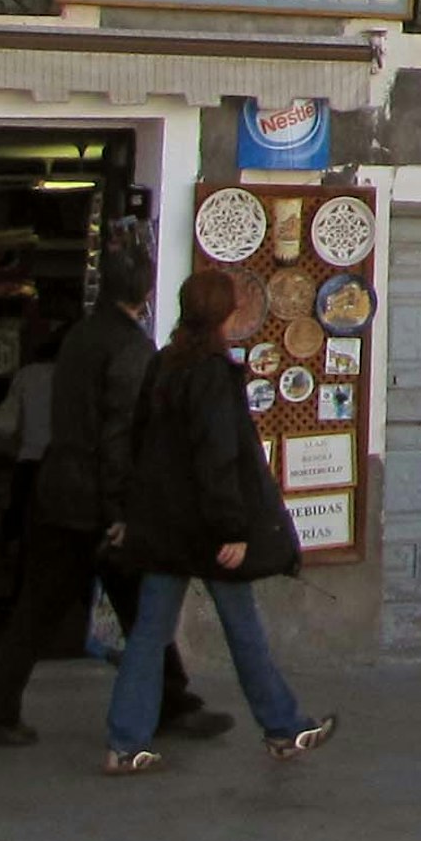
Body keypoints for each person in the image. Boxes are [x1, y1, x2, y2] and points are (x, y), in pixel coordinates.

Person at [0, 245, 218, 748]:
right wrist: (120, 509)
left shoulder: (80, 337)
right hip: (94, 499)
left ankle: (0, 706)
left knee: (42, 608)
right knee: (138, 607)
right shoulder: (129, 348)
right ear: (147, 294)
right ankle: (172, 701)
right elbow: (118, 435)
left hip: (57, 485)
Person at [103, 267, 330, 777]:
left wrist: (128, 513)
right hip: (207, 530)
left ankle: (126, 741)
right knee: (242, 628)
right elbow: (218, 457)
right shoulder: (213, 374)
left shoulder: (162, 366)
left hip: (163, 528)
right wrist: (232, 528)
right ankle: (282, 726)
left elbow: (137, 444)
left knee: (148, 634)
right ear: (228, 314)